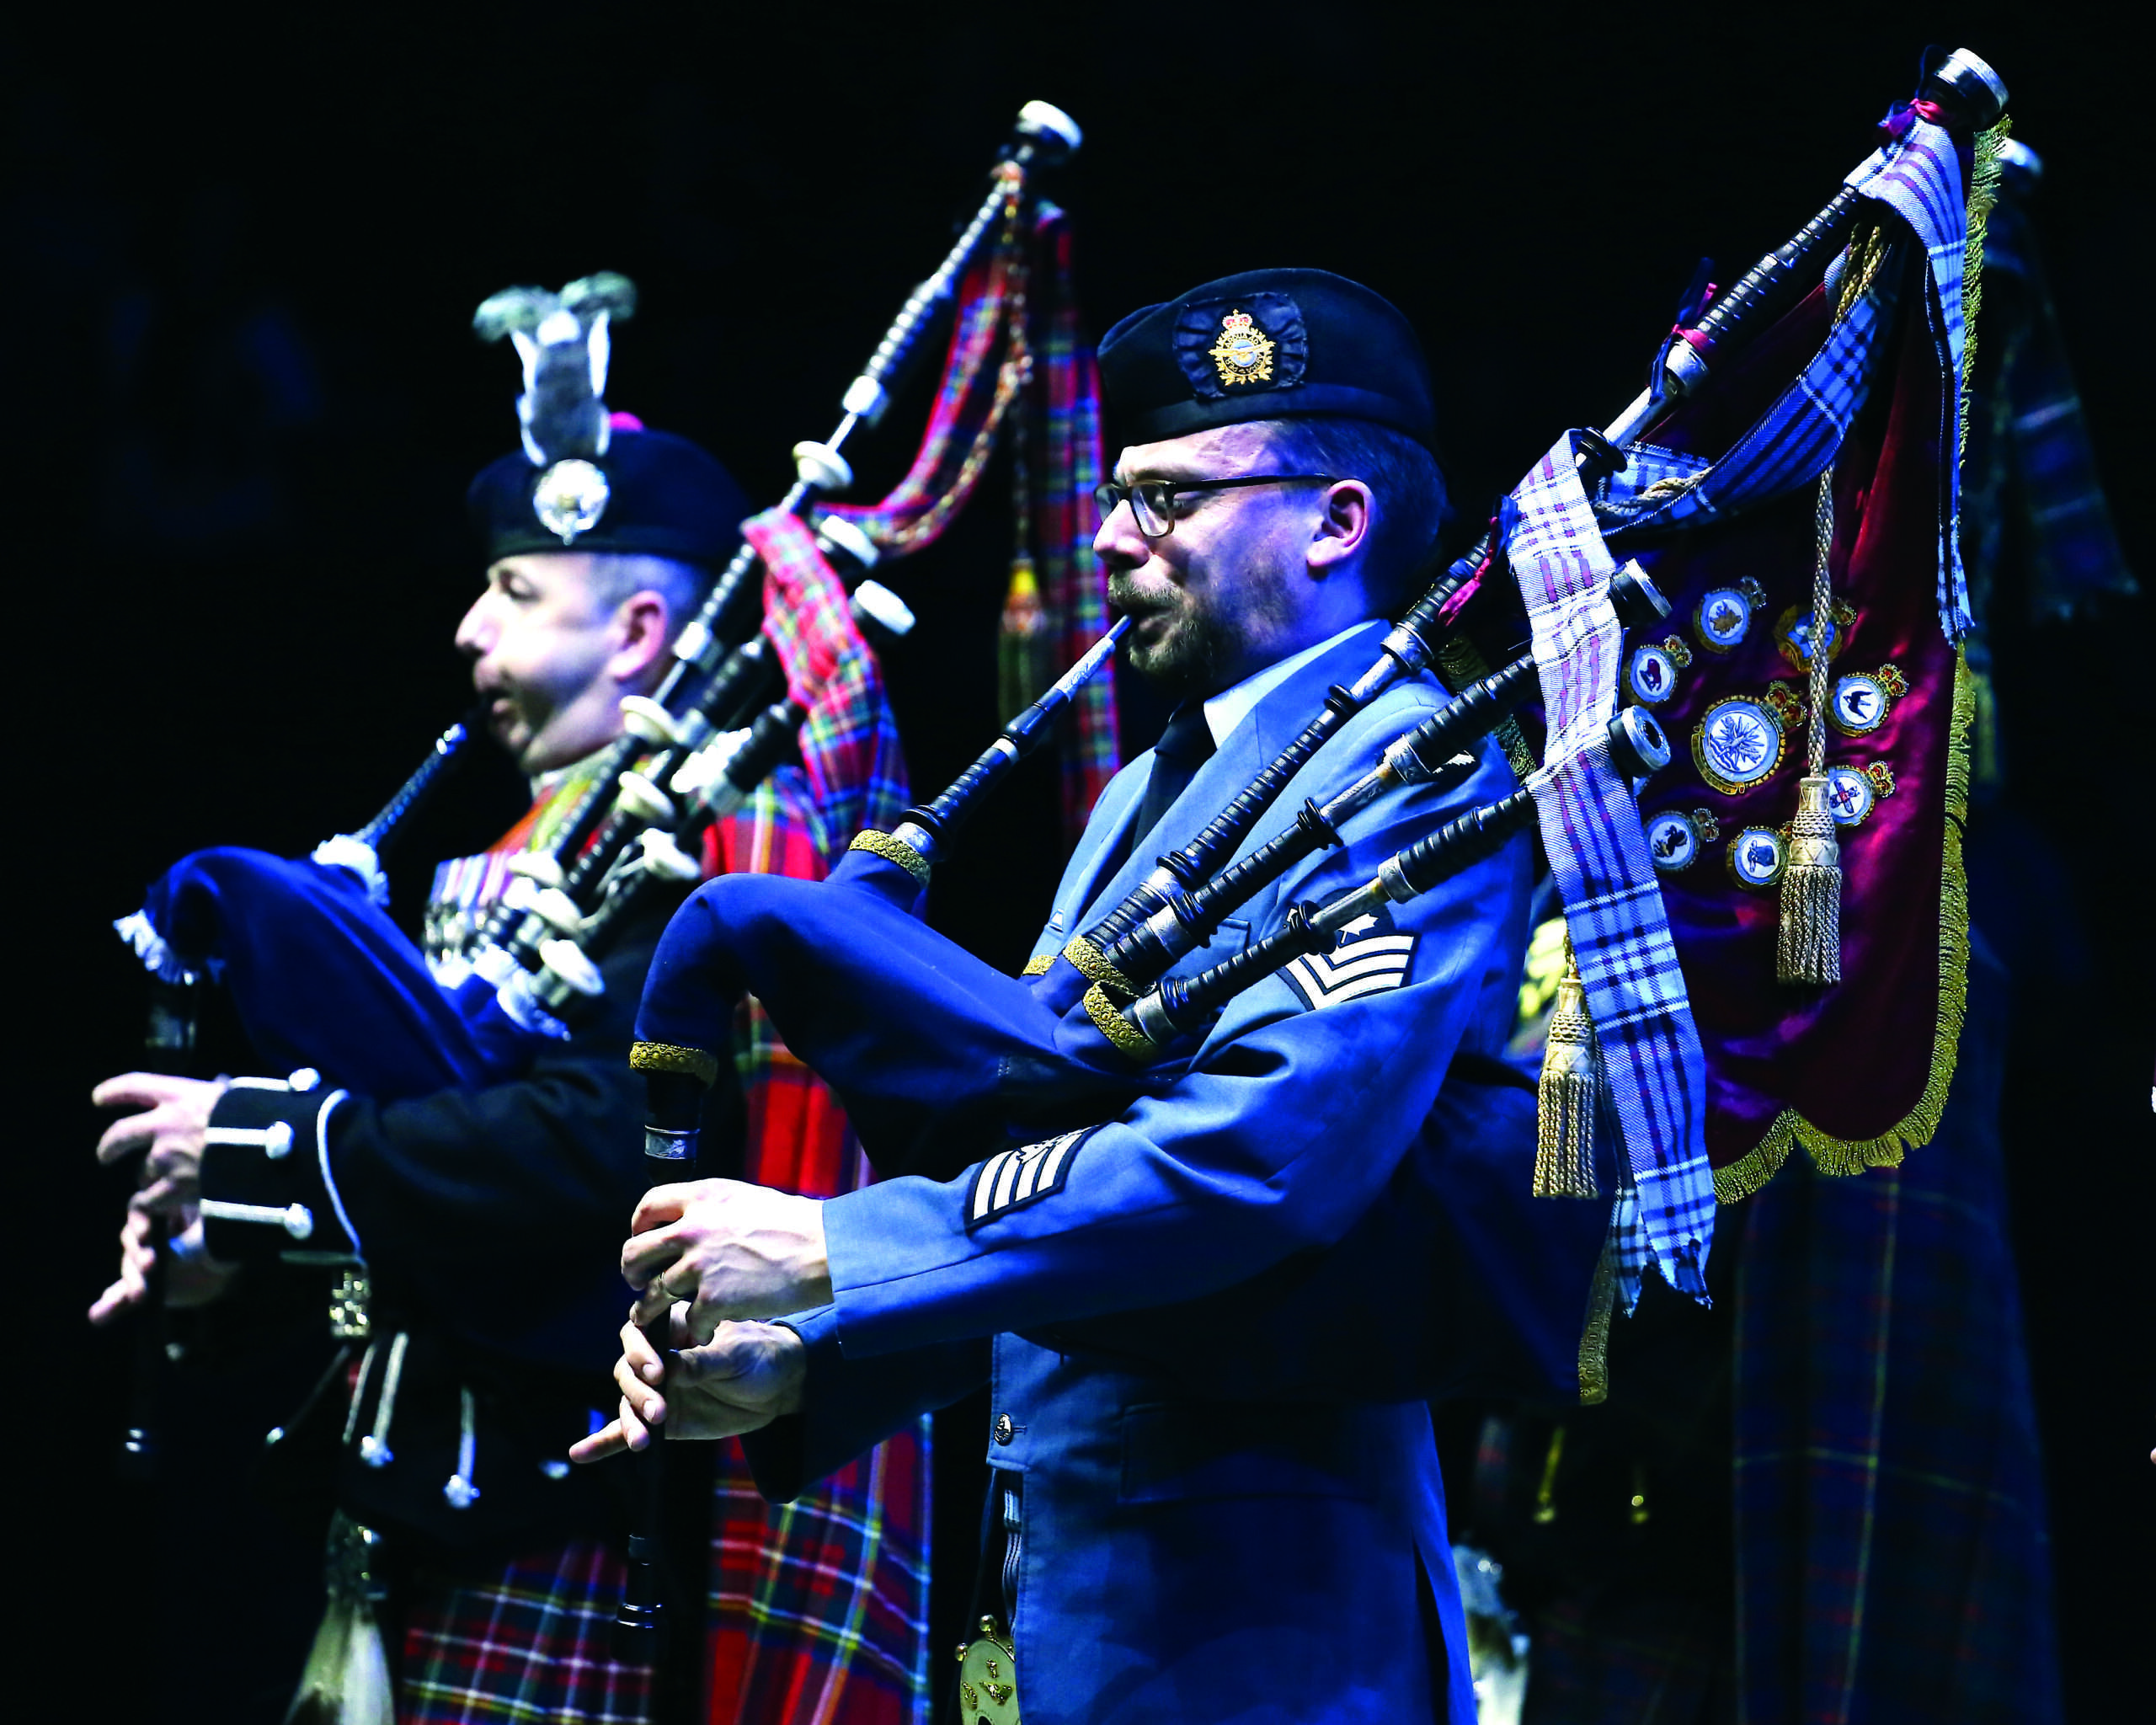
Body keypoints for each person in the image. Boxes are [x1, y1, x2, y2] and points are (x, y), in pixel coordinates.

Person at [576, 269, 1608, 1724]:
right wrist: (801, 1362)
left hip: (1263, 1629)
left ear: (1335, 522)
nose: (1114, 536)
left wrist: (832, 1247)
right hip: (1069, 1599)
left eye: (1169, 498)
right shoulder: (1147, 791)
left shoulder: (1416, 773)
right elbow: (1058, 1177)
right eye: (1120, 495)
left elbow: (1256, 1158)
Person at [90, 285, 926, 1724]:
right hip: (418, 1523)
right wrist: (234, 1250)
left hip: (569, 1518)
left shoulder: (725, 850)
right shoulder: (517, 854)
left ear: (642, 629)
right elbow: (431, 1227)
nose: (470, 629)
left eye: (518, 593)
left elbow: (605, 1147)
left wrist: (260, 1150)